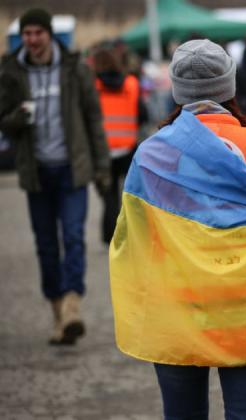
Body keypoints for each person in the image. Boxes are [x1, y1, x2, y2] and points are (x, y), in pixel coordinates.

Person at [108, 39, 246, 419]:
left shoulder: (150, 153)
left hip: (179, 306)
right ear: (228, 86)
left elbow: (132, 227)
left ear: (177, 89)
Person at [0, 8, 111, 345]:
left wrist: (102, 166)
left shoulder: (75, 69)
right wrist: (18, 118)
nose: (32, 40)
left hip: (71, 170)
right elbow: (3, 120)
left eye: (38, 33)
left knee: (75, 238)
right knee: (46, 246)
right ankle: (57, 311)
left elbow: (94, 118)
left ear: (49, 35)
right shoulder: (11, 72)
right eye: (27, 34)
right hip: (37, 173)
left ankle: (73, 307)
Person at [92, 48, 148, 244]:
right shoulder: (132, 84)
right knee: (129, 194)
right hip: (127, 148)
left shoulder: (93, 86)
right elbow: (143, 114)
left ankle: (109, 235)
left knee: (108, 195)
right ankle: (127, 233)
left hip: (102, 151)